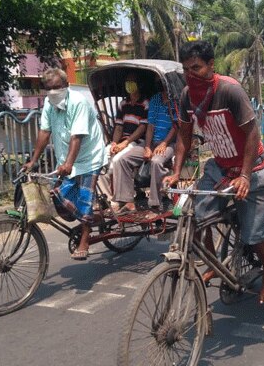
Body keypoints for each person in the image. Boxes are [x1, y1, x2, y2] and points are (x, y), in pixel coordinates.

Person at [162, 40, 264, 304]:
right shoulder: (186, 96)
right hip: (220, 167)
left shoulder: (229, 90)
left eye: (197, 68)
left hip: (252, 168)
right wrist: (176, 172)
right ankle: (213, 263)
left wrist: (246, 176)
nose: (191, 75)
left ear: (211, 65)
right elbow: (184, 135)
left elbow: (251, 133)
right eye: (186, 70)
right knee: (196, 217)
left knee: (254, 233)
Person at [23, 68, 107, 261]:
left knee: (84, 198)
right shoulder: (48, 104)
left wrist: (69, 163)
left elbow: (76, 136)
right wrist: (33, 161)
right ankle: (93, 217)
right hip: (66, 158)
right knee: (60, 197)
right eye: (48, 88)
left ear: (66, 86)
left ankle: (85, 238)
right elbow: (45, 132)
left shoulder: (78, 102)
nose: (52, 92)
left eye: (57, 87)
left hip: (88, 157)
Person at [109, 73, 149, 214]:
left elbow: (142, 128)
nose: (129, 85)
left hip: (137, 142)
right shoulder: (123, 104)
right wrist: (114, 143)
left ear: (139, 85)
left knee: (119, 160)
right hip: (121, 141)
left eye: (132, 82)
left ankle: (123, 200)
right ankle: (107, 199)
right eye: (127, 82)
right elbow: (119, 126)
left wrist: (125, 143)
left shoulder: (145, 103)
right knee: (99, 159)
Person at [142, 79, 177, 212]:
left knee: (156, 161)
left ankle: (155, 202)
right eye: (161, 91)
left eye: (165, 91)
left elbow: (176, 127)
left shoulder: (176, 101)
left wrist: (164, 143)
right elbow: (150, 126)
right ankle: (125, 201)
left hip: (171, 143)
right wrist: (147, 147)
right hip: (153, 142)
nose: (164, 94)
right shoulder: (155, 99)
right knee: (121, 159)